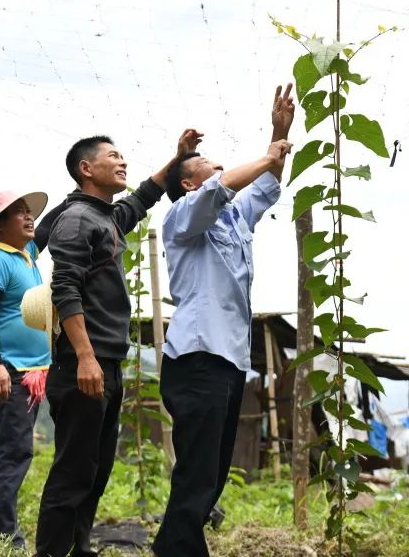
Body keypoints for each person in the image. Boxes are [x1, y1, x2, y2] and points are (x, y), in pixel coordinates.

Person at [34, 128, 202, 557]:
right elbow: (65, 289)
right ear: (86, 169)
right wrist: (85, 357)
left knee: (95, 469)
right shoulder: (77, 219)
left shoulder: (105, 217)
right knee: (73, 472)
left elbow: (144, 196)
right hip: (82, 365)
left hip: (106, 363)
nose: (122, 160)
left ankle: (79, 548)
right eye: (113, 155)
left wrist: (178, 157)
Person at [152, 85, 294, 557]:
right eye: (211, 167)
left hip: (229, 359)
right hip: (197, 357)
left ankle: (172, 547)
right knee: (197, 471)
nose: (220, 170)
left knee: (210, 472)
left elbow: (266, 186)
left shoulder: (234, 218)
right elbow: (225, 185)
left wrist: (278, 135)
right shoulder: (182, 216)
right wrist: (265, 154)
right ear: (190, 185)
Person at [0, 189, 51, 548]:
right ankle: (6, 540)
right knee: (12, 451)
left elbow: (46, 228)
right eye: (19, 212)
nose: (29, 217)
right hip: (8, 372)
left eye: (29, 211)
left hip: (26, 371)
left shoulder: (26, 254)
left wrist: (78, 195)